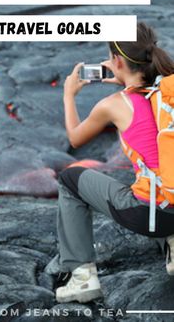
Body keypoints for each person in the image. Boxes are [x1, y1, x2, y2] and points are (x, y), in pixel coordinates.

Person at [55, 22, 174, 304]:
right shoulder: (168, 93)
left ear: (117, 61)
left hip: (151, 215)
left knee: (70, 179)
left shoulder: (114, 104)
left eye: (111, 59)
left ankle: (82, 277)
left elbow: (75, 137)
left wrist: (69, 95)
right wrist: (125, 78)